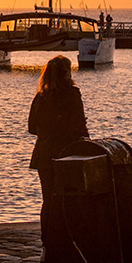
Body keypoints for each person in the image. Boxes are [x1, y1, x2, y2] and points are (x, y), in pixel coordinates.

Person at [28, 55, 89, 193]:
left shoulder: (40, 97)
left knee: (48, 197)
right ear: (67, 74)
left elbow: (32, 128)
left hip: (44, 154)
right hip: (68, 152)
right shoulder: (72, 94)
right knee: (68, 197)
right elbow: (78, 124)